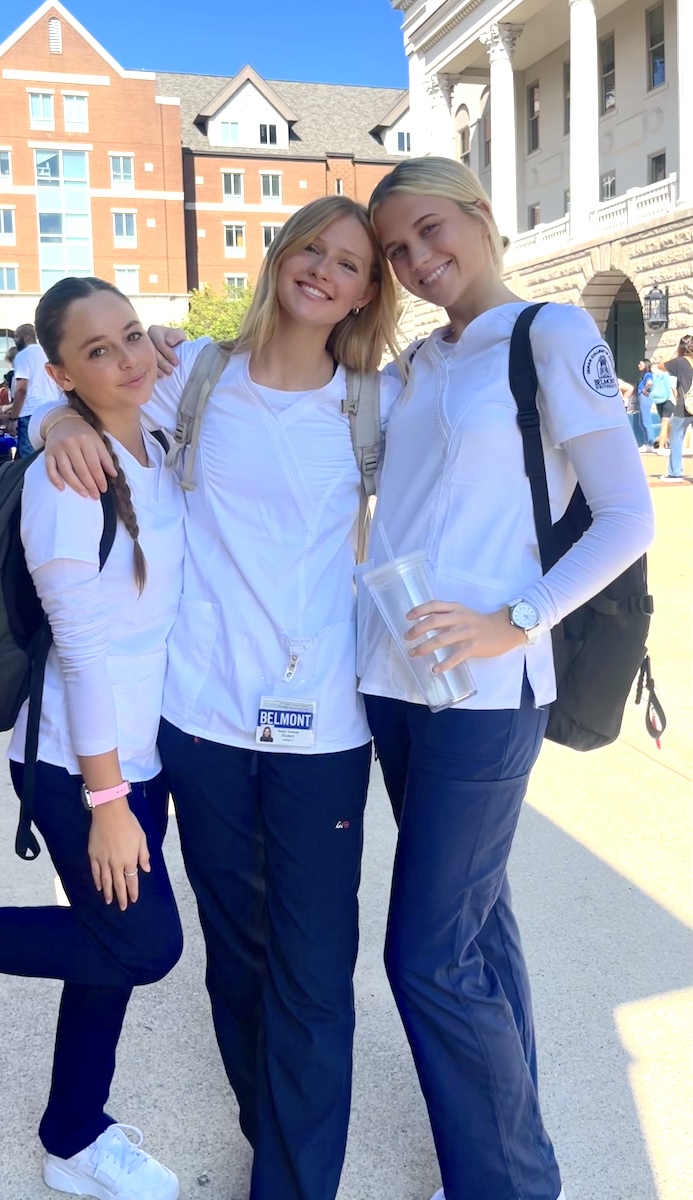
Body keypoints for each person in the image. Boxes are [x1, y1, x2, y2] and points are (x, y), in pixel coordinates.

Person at [32, 195, 401, 1200]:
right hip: (200, 727)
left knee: (316, 975)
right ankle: (270, 1128)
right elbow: (58, 376)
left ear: (370, 292)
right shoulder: (193, 373)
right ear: (280, 256)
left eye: (351, 263)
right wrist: (60, 416)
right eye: (312, 249)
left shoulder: (377, 399)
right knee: (236, 963)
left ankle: (292, 1183)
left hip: (323, 727)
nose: (325, 271)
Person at [363, 157, 654, 1200]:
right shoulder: (418, 362)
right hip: (394, 684)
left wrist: (515, 619)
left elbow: (630, 515)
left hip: (487, 697)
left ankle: (510, 1182)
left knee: (424, 957)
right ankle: (506, 1131)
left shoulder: (553, 337)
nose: (418, 260)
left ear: (482, 218)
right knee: (475, 923)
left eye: (432, 231)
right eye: (396, 250)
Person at [0, 277, 186, 1200]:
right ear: (59, 371)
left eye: (131, 335)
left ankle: (74, 1134)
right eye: (98, 351)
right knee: (145, 948)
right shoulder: (68, 484)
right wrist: (107, 804)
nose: (128, 358)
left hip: (145, 753)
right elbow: (85, 655)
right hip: (78, 763)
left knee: (106, 949)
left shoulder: (153, 436)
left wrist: (58, 410)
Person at [6, 322, 61, 458]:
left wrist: (13, 418)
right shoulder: (49, 353)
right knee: (52, 456)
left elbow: (21, 390)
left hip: (30, 412)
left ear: (26, 337)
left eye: (16, 336)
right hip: (54, 410)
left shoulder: (23, 356)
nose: (14, 340)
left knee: (29, 460)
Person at [661, 334, 693, 482]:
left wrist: (675, 348)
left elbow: (661, 364)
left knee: (676, 439)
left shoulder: (680, 362)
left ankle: (675, 473)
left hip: (684, 407)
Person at [649, 357, 676, 452]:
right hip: (669, 400)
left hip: (658, 400)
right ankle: (661, 447)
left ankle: (667, 443)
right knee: (665, 423)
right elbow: (674, 390)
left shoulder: (656, 374)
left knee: (666, 423)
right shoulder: (671, 376)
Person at [633, 358, 654, 449]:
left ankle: (650, 443)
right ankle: (647, 442)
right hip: (642, 397)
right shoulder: (644, 375)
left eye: (640, 364)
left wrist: (644, 390)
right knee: (641, 422)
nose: (638, 365)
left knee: (646, 421)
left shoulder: (648, 375)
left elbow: (649, 382)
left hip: (645, 397)